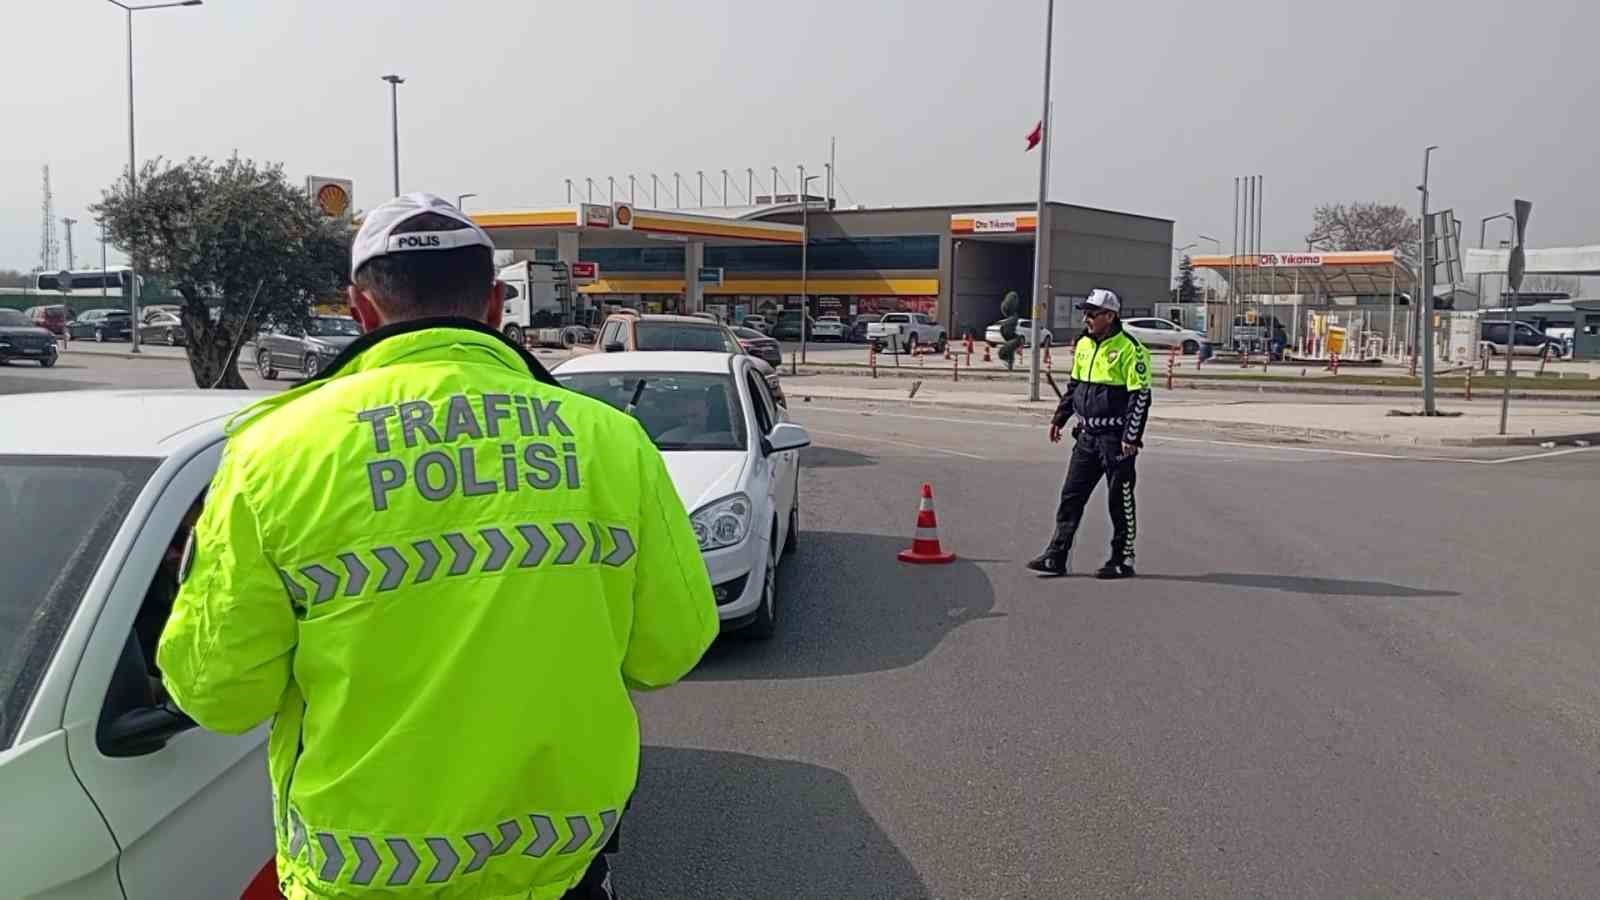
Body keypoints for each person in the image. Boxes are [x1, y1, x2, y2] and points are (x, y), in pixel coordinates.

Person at [158, 193, 718, 899]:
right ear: (493, 306)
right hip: (558, 869)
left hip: (359, 879)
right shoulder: (610, 438)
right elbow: (672, 646)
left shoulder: (274, 452)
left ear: (361, 309)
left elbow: (218, 694)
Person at [1027, 289, 1152, 579]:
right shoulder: (1083, 344)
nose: (1087, 318)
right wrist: (1060, 417)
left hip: (1115, 437)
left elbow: (1140, 397)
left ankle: (1123, 558)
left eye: (1093, 314)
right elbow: (1075, 385)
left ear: (1110, 316)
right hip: (1086, 436)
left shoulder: (1130, 349)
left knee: (1118, 499)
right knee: (1071, 495)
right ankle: (1056, 555)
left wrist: (1131, 437)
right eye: (1085, 313)